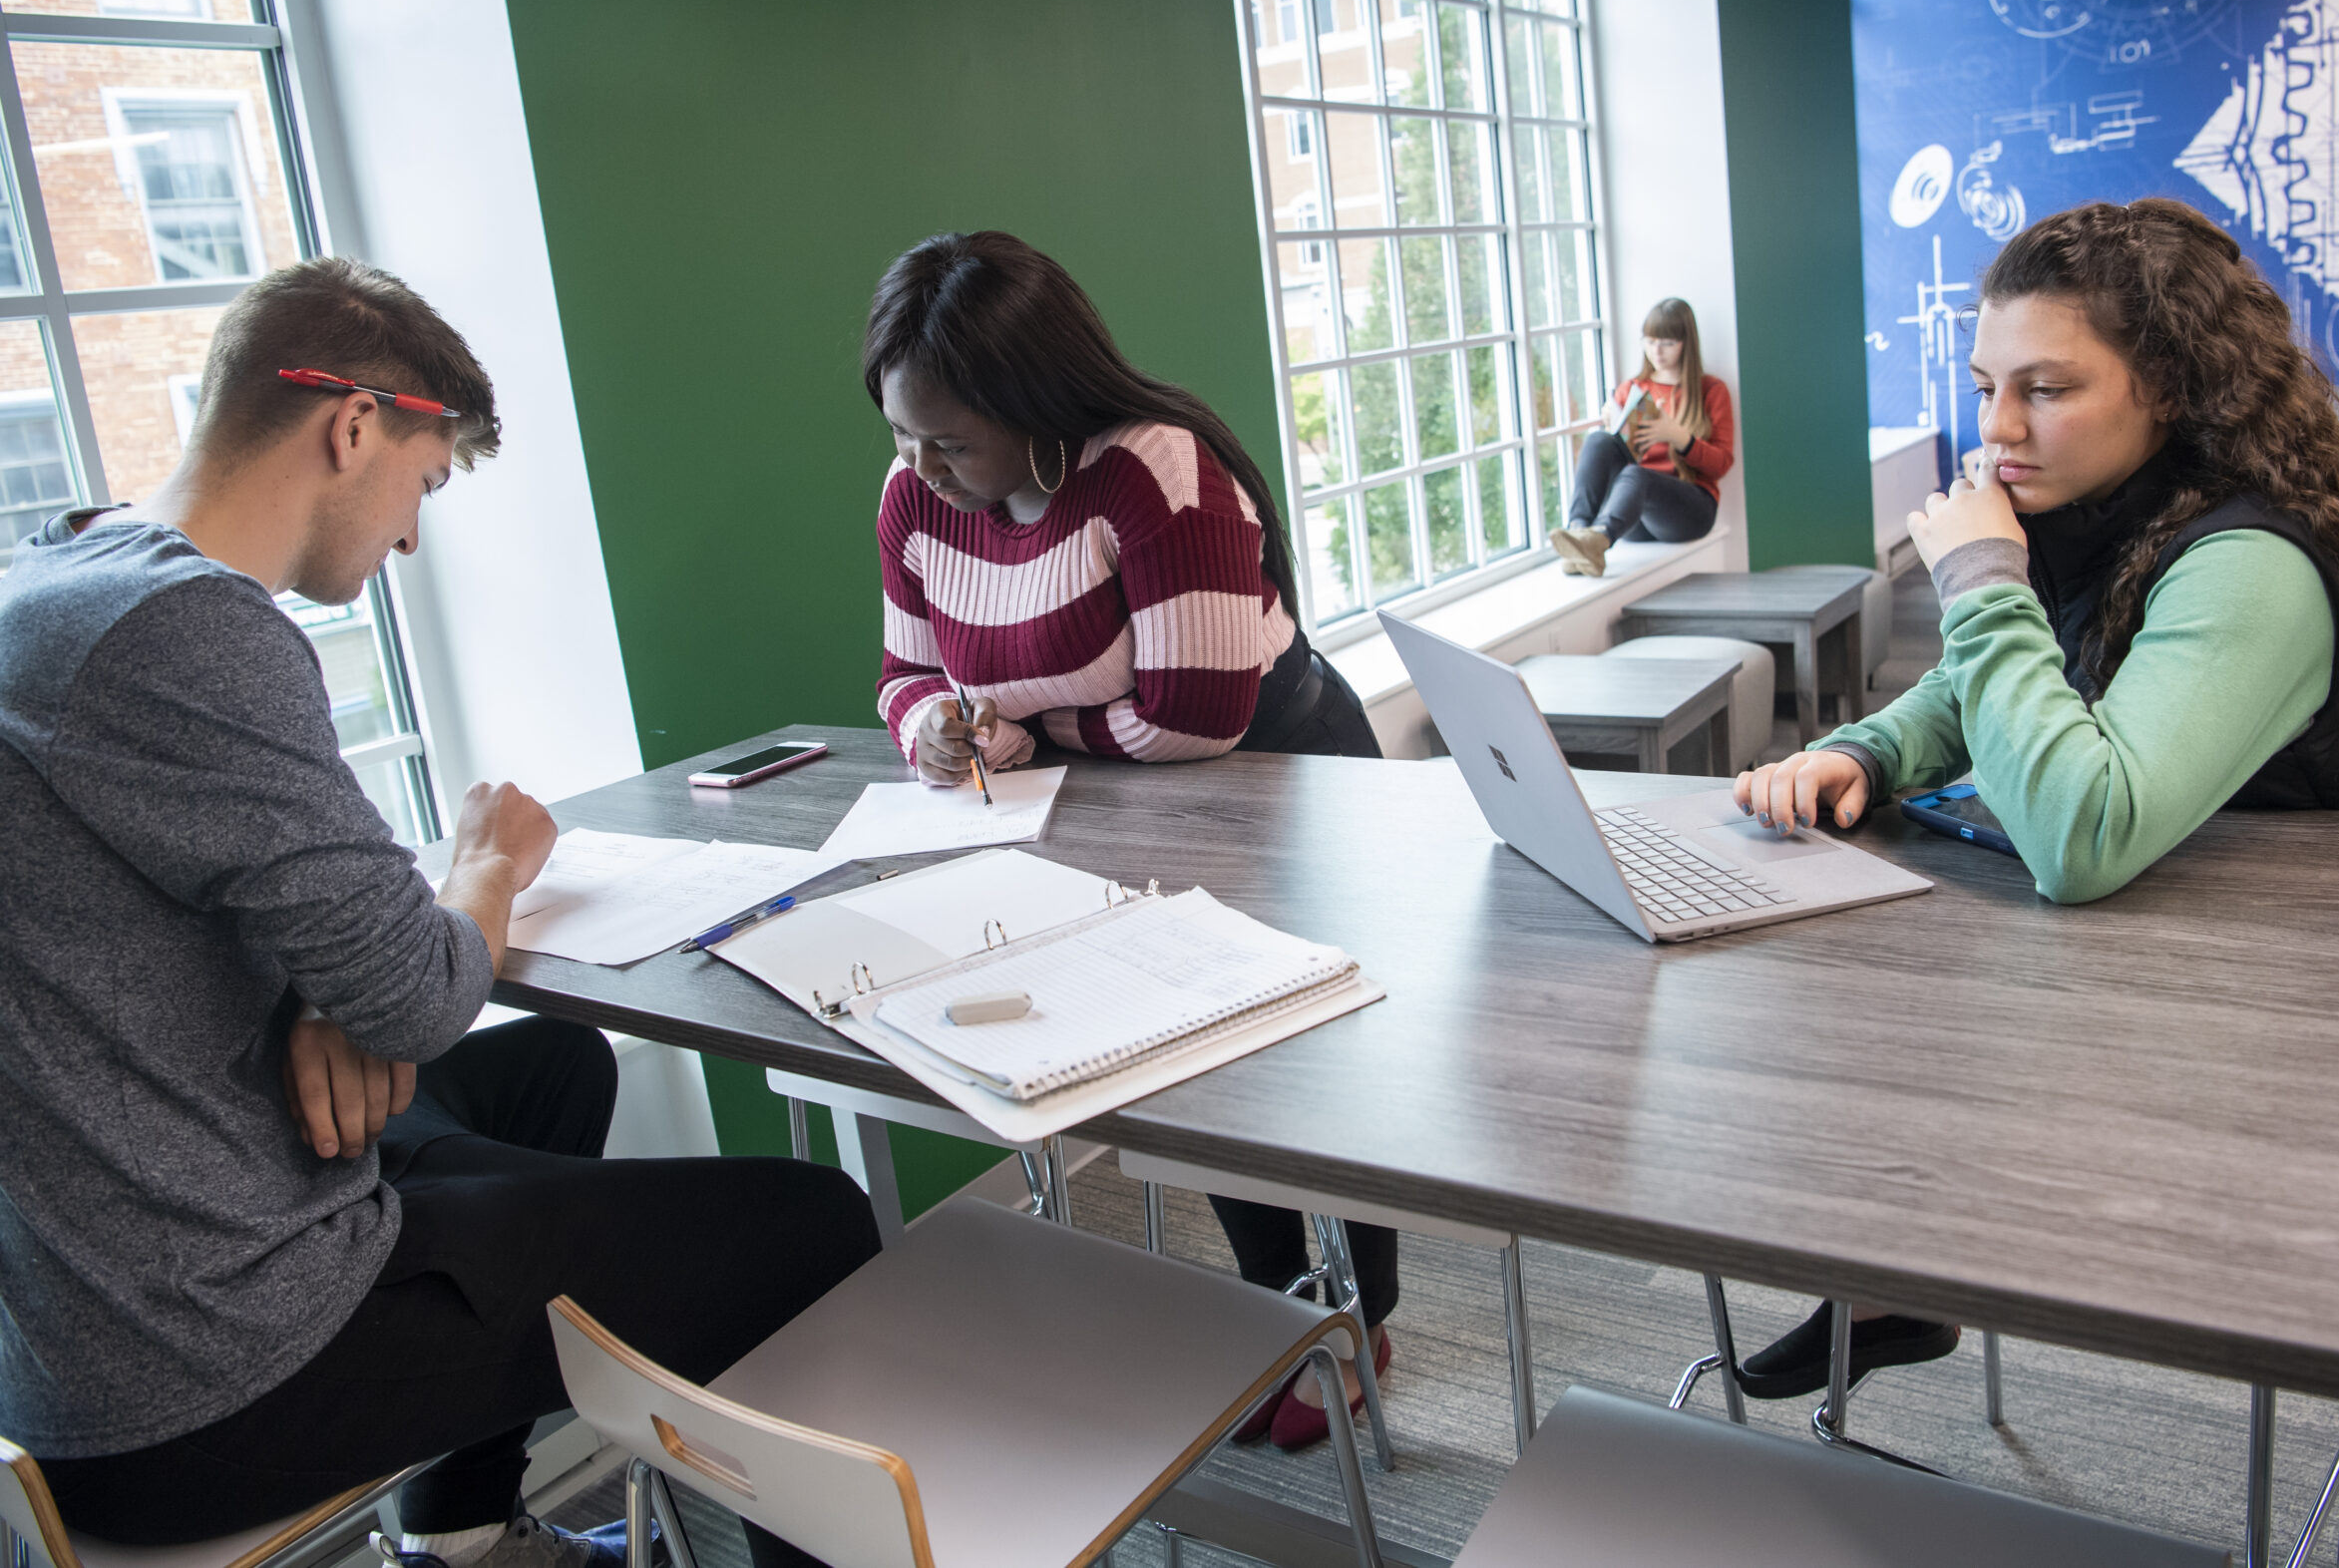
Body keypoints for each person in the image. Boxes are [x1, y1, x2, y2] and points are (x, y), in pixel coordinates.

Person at [0, 259, 879, 1568]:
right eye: (427, 479)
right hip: (210, 1365)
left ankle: (460, 1523)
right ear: (352, 425)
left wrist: (321, 987)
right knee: (808, 1223)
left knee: (552, 1068)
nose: (412, 535)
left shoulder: (61, 575)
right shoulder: (193, 629)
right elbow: (416, 990)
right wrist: (484, 861)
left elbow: (267, 900)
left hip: (95, 1306)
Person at [1724, 197, 2339, 1399]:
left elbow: (2079, 834)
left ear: (2168, 387)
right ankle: (1902, 1275)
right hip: (2199, 922)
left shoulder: (2250, 565)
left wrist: (1976, 571)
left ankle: (1915, 1271)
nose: (1999, 427)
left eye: (2046, 390)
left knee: (1934, 989)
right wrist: (1858, 752)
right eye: (1984, 385)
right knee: (1886, 985)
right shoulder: (2091, 506)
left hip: (2331, 1018)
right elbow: (1976, 693)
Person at [866, 229, 1393, 1451]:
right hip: (1108, 807)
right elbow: (901, 671)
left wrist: (1029, 728)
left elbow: (1194, 715)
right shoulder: (914, 499)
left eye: (948, 439)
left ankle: (1361, 1318)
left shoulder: (1157, 468)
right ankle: (1284, 1305)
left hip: (1282, 782)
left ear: (1032, 400)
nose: (920, 469)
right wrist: (937, 729)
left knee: (1305, 1076)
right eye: (900, 433)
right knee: (1183, 1062)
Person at [1548, 296, 1736, 577]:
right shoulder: (1632, 389)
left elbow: (1720, 464)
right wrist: (1616, 430)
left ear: (1687, 343)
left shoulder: (1711, 390)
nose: (1657, 351)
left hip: (1689, 511)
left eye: (1667, 343)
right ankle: (1579, 535)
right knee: (1599, 441)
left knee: (1637, 476)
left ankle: (1596, 541)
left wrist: (1680, 437)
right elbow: (1613, 457)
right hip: (1633, 514)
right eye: (1649, 341)